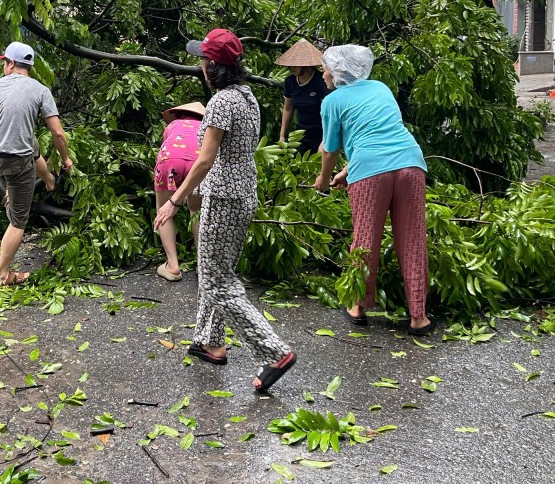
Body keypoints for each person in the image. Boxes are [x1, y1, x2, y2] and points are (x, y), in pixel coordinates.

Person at [154, 28, 296, 393]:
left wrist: (174, 200)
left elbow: (205, 159)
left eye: (202, 60)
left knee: (218, 280)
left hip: (221, 197)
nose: (200, 65)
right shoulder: (248, 98)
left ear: (211, 66)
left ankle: (274, 350)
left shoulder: (220, 103)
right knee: (214, 269)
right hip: (243, 195)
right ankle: (209, 341)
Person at [313, 44, 434, 336]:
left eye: (326, 67)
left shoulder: (332, 101)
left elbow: (330, 150)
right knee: (413, 239)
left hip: (371, 173)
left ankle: (358, 307)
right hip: (410, 163)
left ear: (339, 71)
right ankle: (418, 316)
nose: (324, 72)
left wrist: (323, 179)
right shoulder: (380, 88)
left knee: (365, 240)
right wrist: (347, 171)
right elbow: (381, 135)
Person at [0, 42, 73, 288]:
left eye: (4, 63)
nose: (3, 68)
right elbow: (58, 134)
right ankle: (1, 275)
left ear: (10, 64)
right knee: (19, 220)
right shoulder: (41, 90)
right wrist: (65, 159)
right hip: (15, 163)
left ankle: (48, 180)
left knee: (30, 141)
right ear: (28, 66)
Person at [153, 101, 205, 281]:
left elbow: (169, 145)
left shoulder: (172, 125)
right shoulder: (207, 127)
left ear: (179, 114)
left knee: (163, 209)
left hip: (169, 161)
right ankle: (202, 263)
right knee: (196, 210)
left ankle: (173, 266)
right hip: (198, 163)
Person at [276, 38, 330, 155]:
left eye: (296, 65)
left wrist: (327, 139)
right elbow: (288, 109)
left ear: (307, 65)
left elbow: (329, 112)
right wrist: (282, 136)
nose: (292, 68)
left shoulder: (321, 81)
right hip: (300, 133)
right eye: (291, 65)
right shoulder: (290, 82)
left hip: (320, 132)